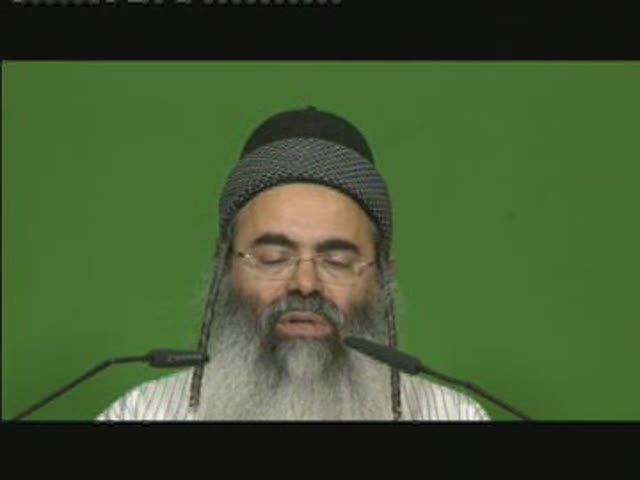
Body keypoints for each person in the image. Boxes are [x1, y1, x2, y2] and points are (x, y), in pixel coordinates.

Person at [97, 107, 490, 421]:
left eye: (336, 260)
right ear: (224, 268)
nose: (305, 282)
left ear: (382, 279)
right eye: (273, 258)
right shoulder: (143, 413)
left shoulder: (455, 416)